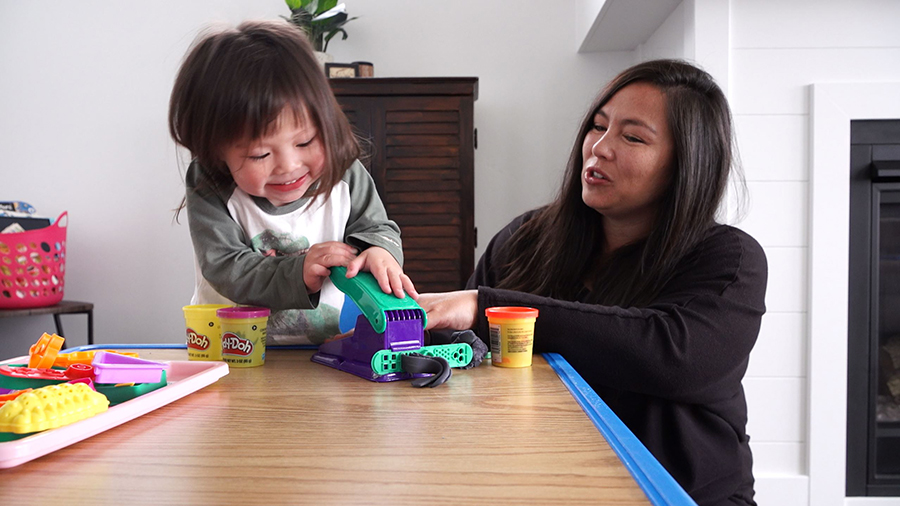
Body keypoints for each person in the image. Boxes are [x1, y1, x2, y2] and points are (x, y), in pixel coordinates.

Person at [420, 59, 766, 506]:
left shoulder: (729, 257)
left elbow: (672, 359)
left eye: (633, 137)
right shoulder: (527, 238)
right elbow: (463, 351)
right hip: (535, 483)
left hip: (680, 494)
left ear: (686, 163)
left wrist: (494, 310)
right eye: (598, 127)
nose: (599, 149)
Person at [169, 20, 417, 345]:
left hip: (317, 355)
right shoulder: (211, 184)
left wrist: (379, 252)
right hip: (229, 355)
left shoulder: (345, 174)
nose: (288, 166)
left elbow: (378, 229)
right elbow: (225, 266)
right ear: (216, 154)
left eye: (305, 142)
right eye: (259, 155)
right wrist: (298, 272)